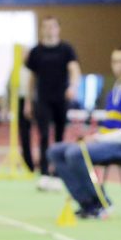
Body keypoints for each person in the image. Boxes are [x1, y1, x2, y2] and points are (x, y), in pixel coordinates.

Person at [47, 46, 121, 219]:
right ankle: (87, 203)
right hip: (110, 142)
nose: (118, 66)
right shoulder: (117, 89)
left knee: (76, 153)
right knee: (56, 151)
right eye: (115, 61)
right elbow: (112, 126)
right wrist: (94, 136)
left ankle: (101, 203)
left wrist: (97, 138)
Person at [25, 16, 81, 191]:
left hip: (61, 99)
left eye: (52, 27)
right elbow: (31, 78)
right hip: (43, 99)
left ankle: (58, 173)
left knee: (59, 136)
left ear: (58, 29)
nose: (49, 30)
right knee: (43, 136)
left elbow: (74, 70)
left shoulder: (66, 49)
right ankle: (43, 172)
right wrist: (28, 101)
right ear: (42, 29)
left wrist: (73, 86)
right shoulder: (36, 51)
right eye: (46, 27)